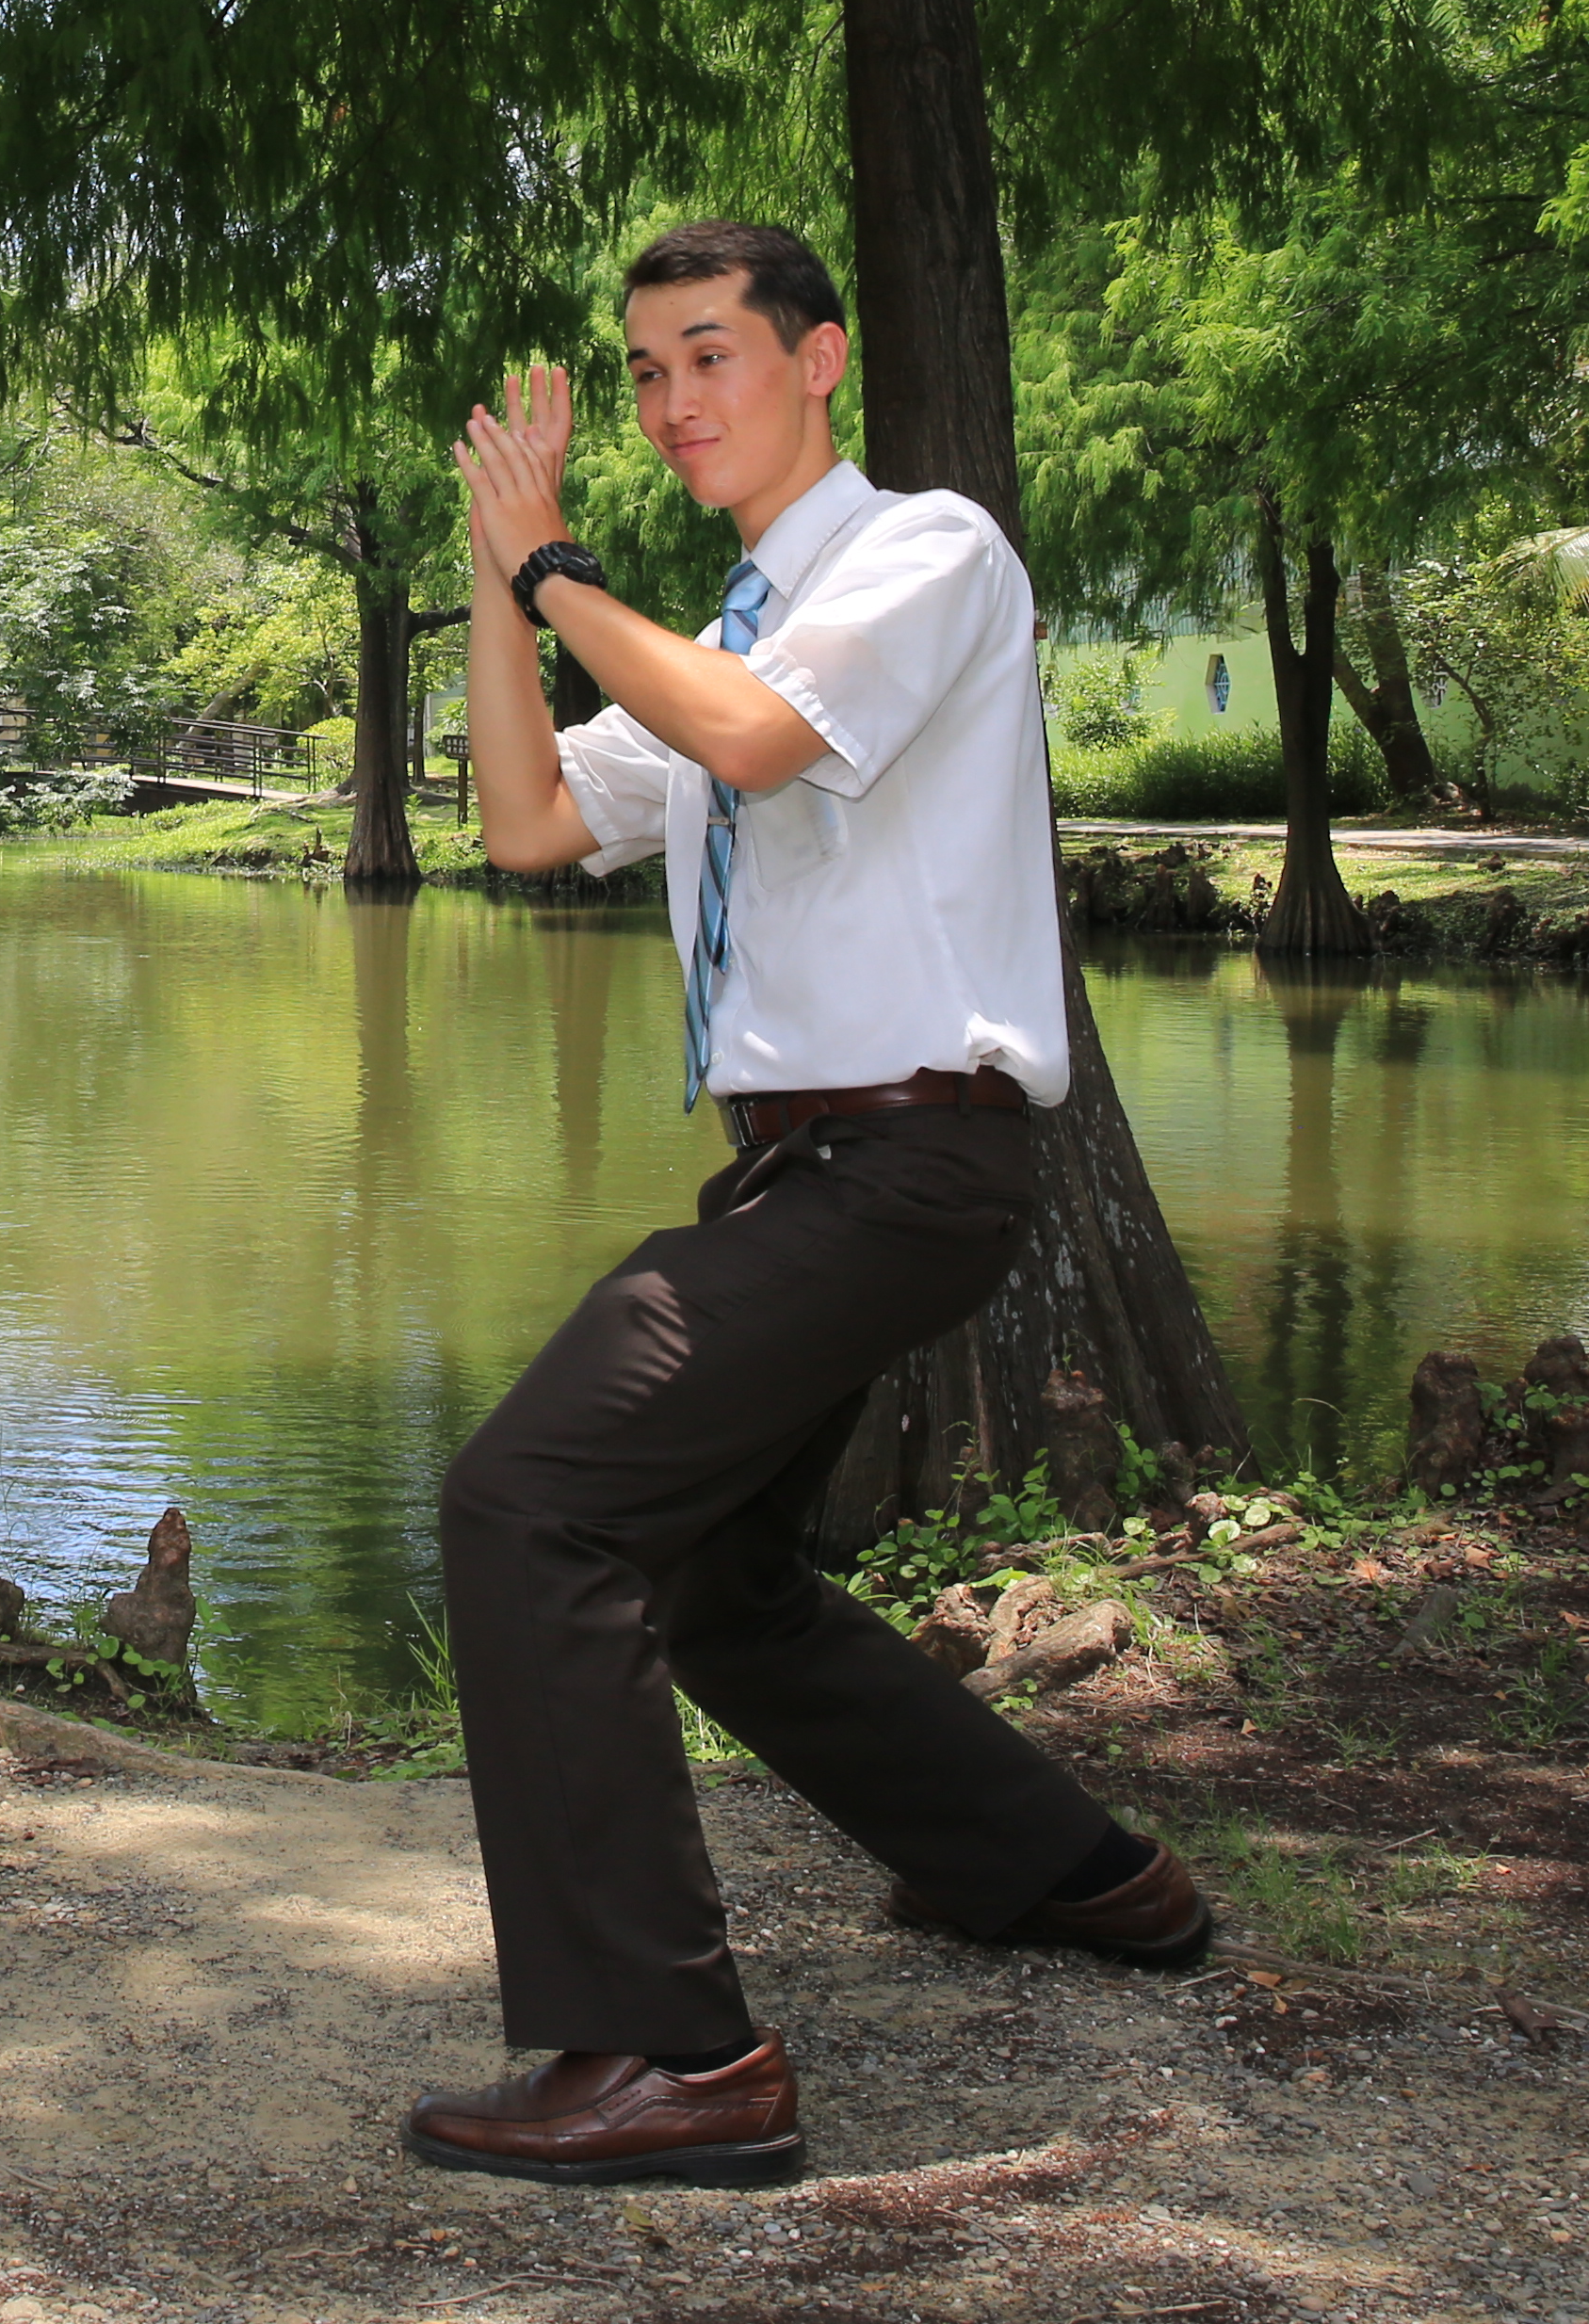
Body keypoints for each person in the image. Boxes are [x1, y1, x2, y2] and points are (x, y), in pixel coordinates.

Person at [399, 218, 1201, 2187]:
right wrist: (503, 588)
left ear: (818, 358)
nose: (678, 402)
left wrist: (560, 570)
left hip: (912, 1152)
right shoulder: (726, 638)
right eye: (650, 373)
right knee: (708, 1576)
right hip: (806, 1169)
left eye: (713, 357)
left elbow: (763, 743)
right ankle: (1071, 1872)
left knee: (531, 1497)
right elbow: (527, 827)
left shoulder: (927, 555)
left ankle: (675, 2056)